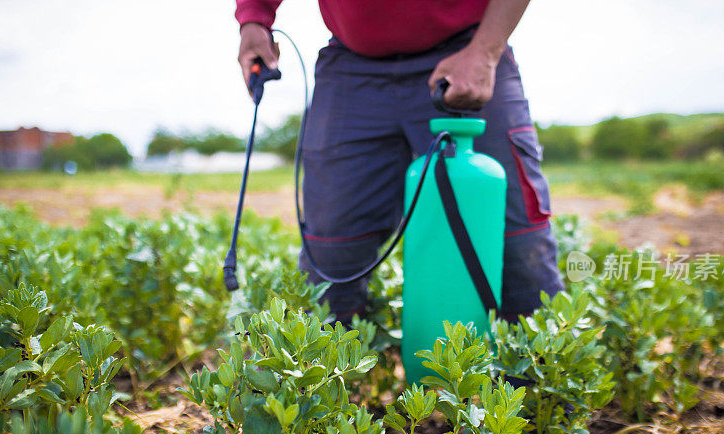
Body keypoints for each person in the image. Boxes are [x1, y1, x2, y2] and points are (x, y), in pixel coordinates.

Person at [235, 0, 564, 323]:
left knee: (514, 238)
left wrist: (487, 49)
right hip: (351, 66)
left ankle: (532, 374)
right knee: (331, 255)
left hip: (467, 50)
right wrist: (254, 19)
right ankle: (332, 372)